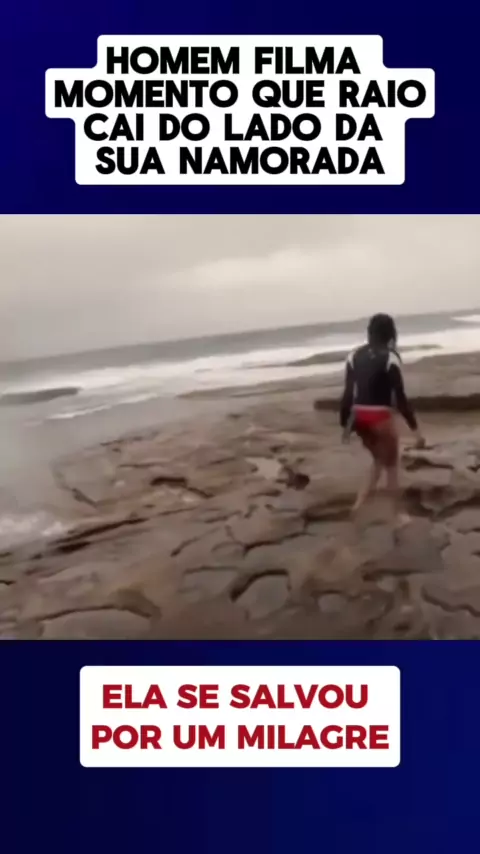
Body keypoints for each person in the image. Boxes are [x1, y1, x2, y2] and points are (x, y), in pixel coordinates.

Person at [339, 313, 426, 524]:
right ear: (391, 334)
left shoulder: (353, 355)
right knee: (392, 467)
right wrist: (416, 432)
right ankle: (397, 515)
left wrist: (345, 426)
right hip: (379, 417)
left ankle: (358, 506)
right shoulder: (390, 357)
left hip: (359, 417)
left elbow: (348, 394)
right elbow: (401, 399)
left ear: (370, 332)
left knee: (379, 460)